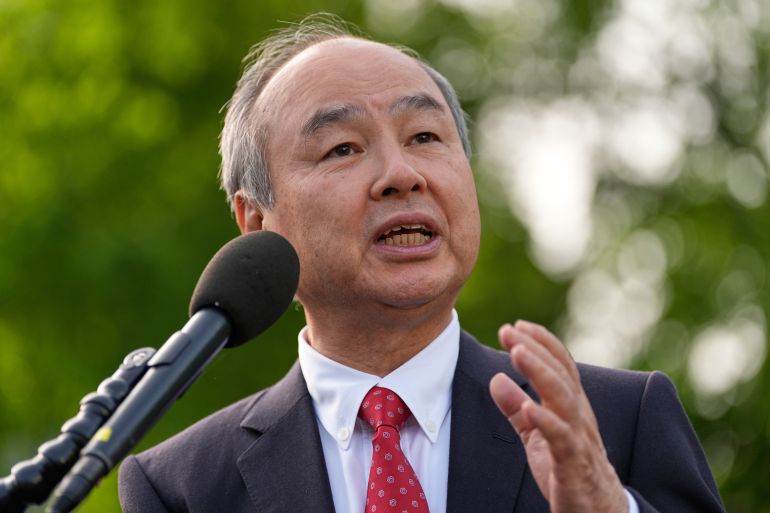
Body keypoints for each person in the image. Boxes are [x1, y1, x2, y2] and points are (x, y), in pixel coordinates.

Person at [118, 14, 725, 513]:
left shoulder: (619, 422)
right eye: (343, 148)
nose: (401, 175)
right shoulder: (183, 487)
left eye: (426, 138)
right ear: (255, 222)